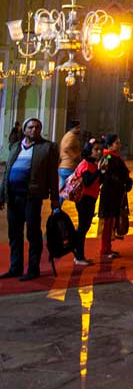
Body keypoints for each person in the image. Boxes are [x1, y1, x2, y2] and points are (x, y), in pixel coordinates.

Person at [0, 117, 59, 280]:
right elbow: (6, 172)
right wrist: (1, 195)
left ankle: (33, 268)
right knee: (14, 233)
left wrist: (55, 197)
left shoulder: (47, 148)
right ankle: (15, 267)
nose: (34, 130)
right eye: (31, 127)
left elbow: (53, 175)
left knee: (33, 233)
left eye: (37, 127)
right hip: (13, 196)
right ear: (24, 130)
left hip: (31, 197)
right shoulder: (15, 147)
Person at [97, 134, 132, 261]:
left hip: (116, 193)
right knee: (108, 222)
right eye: (117, 143)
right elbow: (107, 175)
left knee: (111, 221)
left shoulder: (115, 157)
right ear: (110, 145)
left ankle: (108, 247)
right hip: (110, 193)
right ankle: (104, 248)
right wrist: (122, 181)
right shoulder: (108, 157)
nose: (119, 145)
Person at [72, 138, 103, 266]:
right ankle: (79, 256)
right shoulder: (85, 165)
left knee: (84, 226)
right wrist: (98, 171)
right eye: (96, 150)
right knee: (83, 227)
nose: (99, 152)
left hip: (91, 198)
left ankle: (79, 254)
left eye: (99, 149)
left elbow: (97, 181)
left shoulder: (92, 164)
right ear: (89, 151)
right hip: (84, 199)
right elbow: (88, 181)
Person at [58, 121, 82, 194]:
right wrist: (75, 156)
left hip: (64, 166)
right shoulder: (71, 136)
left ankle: (58, 204)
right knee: (70, 190)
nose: (79, 129)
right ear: (73, 128)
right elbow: (66, 148)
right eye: (78, 128)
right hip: (69, 166)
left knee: (63, 189)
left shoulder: (68, 135)